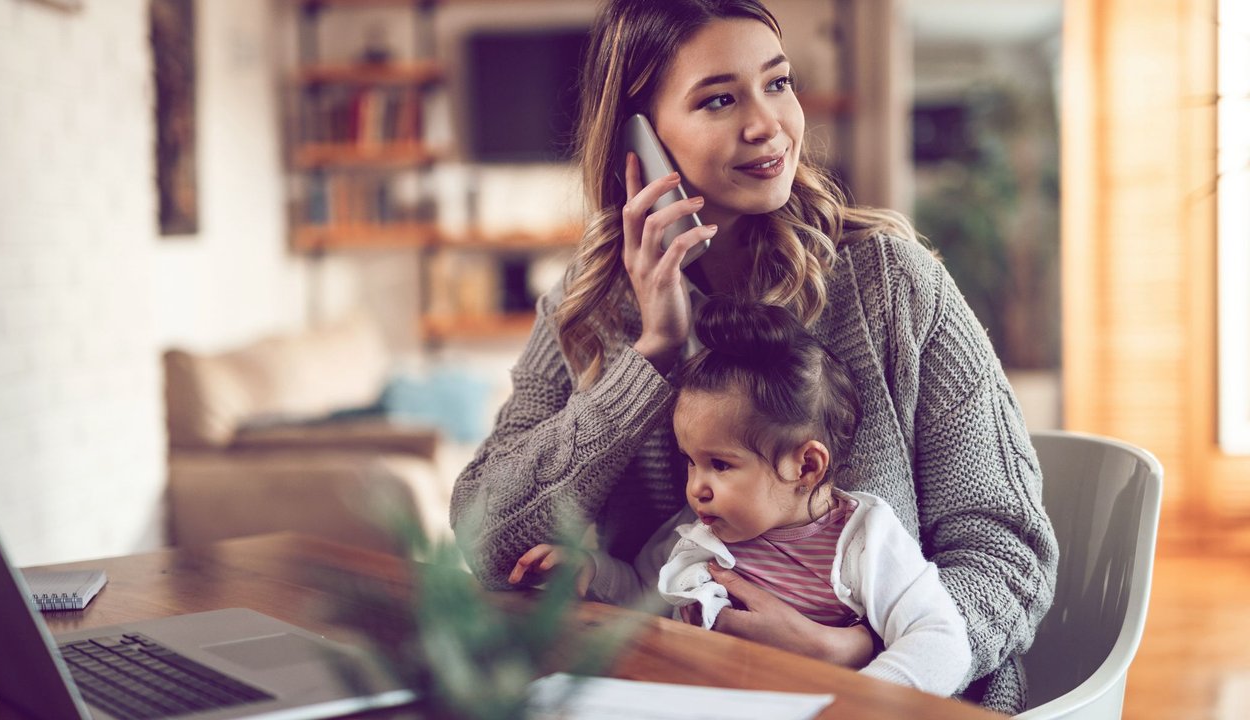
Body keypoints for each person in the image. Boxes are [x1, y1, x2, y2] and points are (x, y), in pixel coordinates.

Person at [449, 0, 1057, 711]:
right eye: (718, 99)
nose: (767, 123)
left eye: (778, 82)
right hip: (680, 695)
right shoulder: (587, 312)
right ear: (640, 142)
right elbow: (486, 541)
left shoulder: (889, 281)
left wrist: (857, 651)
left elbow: (1008, 553)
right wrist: (652, 356)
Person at [509, 297, 972, 696]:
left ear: (806, 466)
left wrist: (864, 698)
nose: (696, 487)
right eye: (691, 461)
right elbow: (643, 595)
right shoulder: (699, 533)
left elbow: (940, 638)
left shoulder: (865, 541)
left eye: (721, 465)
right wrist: (591, 571)